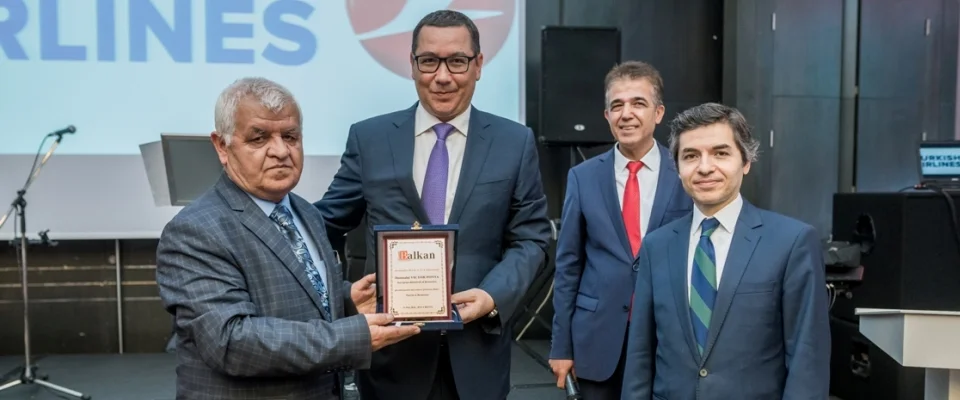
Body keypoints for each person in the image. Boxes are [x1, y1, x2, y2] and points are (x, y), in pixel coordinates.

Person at [315, 9, 550, 400]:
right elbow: (322, 227)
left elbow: (532, 238)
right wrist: (343, 293)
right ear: (412, 65)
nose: (442, 76)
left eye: (457, 61)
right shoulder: (370, 139)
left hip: (477, 358)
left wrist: (492, 297)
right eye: (429, 61)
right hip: (391, 362)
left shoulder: (514, 142)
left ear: (478, 65)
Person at [155, 77, 421, 400]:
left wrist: (347, 299)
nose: (281, 151)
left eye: (290, 136)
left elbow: (299, 291)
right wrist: (352, 336)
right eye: (259, 138)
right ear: (222, 146)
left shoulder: (307, 213)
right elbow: (232, 341)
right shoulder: (195, 230)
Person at [620, 102, 831, 399]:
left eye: (720, 153)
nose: (705, 167)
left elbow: (807, 359)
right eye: (691, 156)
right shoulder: (657, 246)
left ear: (746, 161)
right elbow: (640, 355)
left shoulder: (792, 242)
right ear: (677, 168)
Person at [548, 61, 692, 399]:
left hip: (667, 336)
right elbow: (568, 265)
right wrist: (561, 346)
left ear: (658, 113)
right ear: (607, 116)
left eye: (638, 103)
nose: (626, 114)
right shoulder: (583, 178)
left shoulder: (685, 174)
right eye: (617, 105)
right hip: (597, 339)